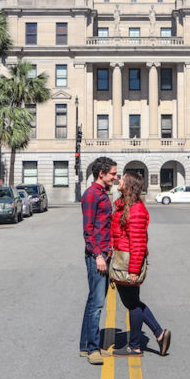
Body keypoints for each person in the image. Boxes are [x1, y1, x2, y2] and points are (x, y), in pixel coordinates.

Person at [111, 172, 171, 357]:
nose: (118, 180)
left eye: (122, 179)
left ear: (129, 185)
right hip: (123, 260)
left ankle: (137, 345)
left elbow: (138, 243)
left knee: (132, 304)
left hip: (127, 263)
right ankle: (158, 335)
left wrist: (134, 271)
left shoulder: (135, 209)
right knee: (133, 303)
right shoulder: (124, 206)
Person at [80, 156, 118, 365]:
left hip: (105, 253)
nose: (115, 176)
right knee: (96, 305)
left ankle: (85, 345)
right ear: (101, 173)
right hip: (97, 255)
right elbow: (88, 231)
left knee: (92, 302)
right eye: (112, 173)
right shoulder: (91, 195)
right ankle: (93, 349)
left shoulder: (103, 194)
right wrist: (98, 256)